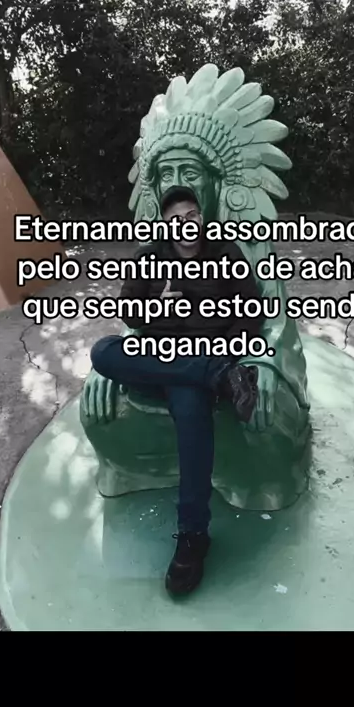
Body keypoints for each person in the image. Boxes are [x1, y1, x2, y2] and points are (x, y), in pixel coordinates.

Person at [90, 185, 263, 596]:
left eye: (191, 216)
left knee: (191, 412)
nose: (185, 225)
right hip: (158, 355)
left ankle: (192, 535)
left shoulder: (225, 253)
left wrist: (228, 351)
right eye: (175, 220)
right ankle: (217, 376)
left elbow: (251, 308)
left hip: (202, 358)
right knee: (102, 351)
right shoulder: (149, 257)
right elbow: (127, 312)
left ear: (201, 217)